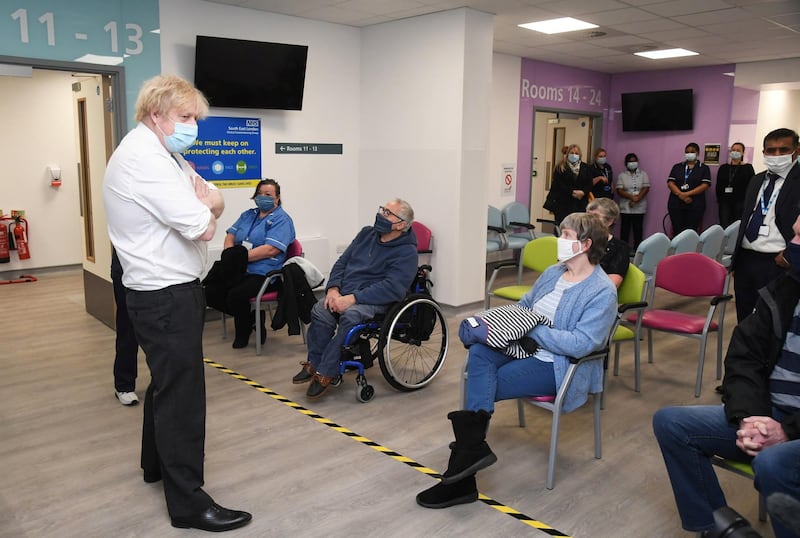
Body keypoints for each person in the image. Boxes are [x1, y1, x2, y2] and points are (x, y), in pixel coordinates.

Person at [103, 74, 251, 532]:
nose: (193, 127)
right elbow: (205, 224)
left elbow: (214, 199)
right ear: (156, 115)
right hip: (164, 293)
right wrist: (204, 206)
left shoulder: (167, 152)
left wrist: (205, 203)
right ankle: (188, 504)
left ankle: (156, 467)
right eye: (185, 117)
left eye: (196, 118)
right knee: (183, 396)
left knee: (167, 385)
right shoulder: (142, 159)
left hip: (169, 289)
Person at [416, 212, 617, 509]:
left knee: (482, 383)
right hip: (523, 347)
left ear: (586, 244)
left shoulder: (602, 291)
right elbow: (525, 306)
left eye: (567, 236)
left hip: (557, 365)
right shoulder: (553, 272)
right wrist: (505, 324)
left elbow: (583, 344)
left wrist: (534, 327)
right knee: (480, 352)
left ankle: (460, 476)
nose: (559, 240)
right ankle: (469, 458)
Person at [652, 212, 800, 538]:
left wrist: (787, 431)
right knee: (672, 423)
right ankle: (718, 530)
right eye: (795, 236)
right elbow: (744, 358)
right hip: (770, 412)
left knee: (773, 463)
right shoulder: (786, 289)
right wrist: (752, 417)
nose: (791, 245)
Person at [292, 199, 418, 400]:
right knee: (320, 310)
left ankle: (327, 371)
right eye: (382, 210)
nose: (381, 215)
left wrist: (353, 298)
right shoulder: (366, 234)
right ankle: (315, 363)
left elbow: (393, 288)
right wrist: (333, 289)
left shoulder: (407, 252)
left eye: (388, 213)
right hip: (345, 293)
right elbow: (342, 262)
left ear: (401, 224)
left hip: (374, 300)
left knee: (351, 316)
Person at [203, 178, 295, 349]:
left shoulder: (282, 220)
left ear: (277, 198)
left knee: (236, 295)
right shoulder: (248, 215)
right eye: (259, 194)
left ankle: (243, 332)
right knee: (210, 291)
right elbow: (230, 236)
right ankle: (252, 317)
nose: (263, 197)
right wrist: (231, 255)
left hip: (264, 273)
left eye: (268, 194)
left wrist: (238, 258)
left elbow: (270, 250)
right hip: (239, 269)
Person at [731, 128, 800, 323]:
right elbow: (746, 218)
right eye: (771, 150)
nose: (776, 155)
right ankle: (747, 354)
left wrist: (789, 256)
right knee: (745, 318)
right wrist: (738, 259)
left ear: (797, 151)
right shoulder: (756, 180)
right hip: (747, 258)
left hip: (778, 261)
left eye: (783, 150)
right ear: (764, 153)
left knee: (774, 320)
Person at [111, 248, 139, 406]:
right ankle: (124, 385)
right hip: (126, 266)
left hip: (155, 267)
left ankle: (163, 383)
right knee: (128, 326)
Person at [667, 142, 711, 235]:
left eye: (692, 152)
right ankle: (677, 249)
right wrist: (680, 194)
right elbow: (670, 183)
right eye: (687, 152)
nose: (689, 154)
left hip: (695, 205)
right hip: (676, 204)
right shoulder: (677, 167)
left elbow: (705, 185)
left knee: (691, 231)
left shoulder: (703, 168)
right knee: (677, 230)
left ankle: (689, 249)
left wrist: (686, 194)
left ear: (698, 153)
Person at [544, 144, 593, 226]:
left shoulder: (586, 167)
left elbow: (589, 184)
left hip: (580, 203)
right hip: (563, 203)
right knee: (563, 227)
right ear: (567, 154)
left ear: (580, 155)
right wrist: (572, 192)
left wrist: (583, 192)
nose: (574, 155)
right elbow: (559, 184)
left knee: (578, 228)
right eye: (572, 152)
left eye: (576, 153)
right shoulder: (560, 167)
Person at [587, 198, 630, 288]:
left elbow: (611, 285)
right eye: (587, 215)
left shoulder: (620, 248)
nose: (588, 220)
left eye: (595, 216)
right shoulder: (581, 241)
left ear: (610, 221)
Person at [716, 142, 755, 229]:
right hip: (725, 202)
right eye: (733, 150)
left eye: (738, 150)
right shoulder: (723, 168)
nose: (735, 152)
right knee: (724, 225)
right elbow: (718, 186)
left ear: (743, 153)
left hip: (741, 202)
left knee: (737, 226)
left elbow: (751, 186)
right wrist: (719, 200)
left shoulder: (748, 168)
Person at [615, 152, 650, 250]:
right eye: (630, 161)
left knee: (638, 230)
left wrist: (637, 198)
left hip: (640, 207)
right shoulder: (622, 175)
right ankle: (623, 251)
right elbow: (619, 190)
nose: (633, 163)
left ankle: (638, 250)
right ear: (626, 163)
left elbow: (646, 188)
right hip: (625, 207)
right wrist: (631, 197)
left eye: (634, 161)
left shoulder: (643, 174)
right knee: (624, 231)